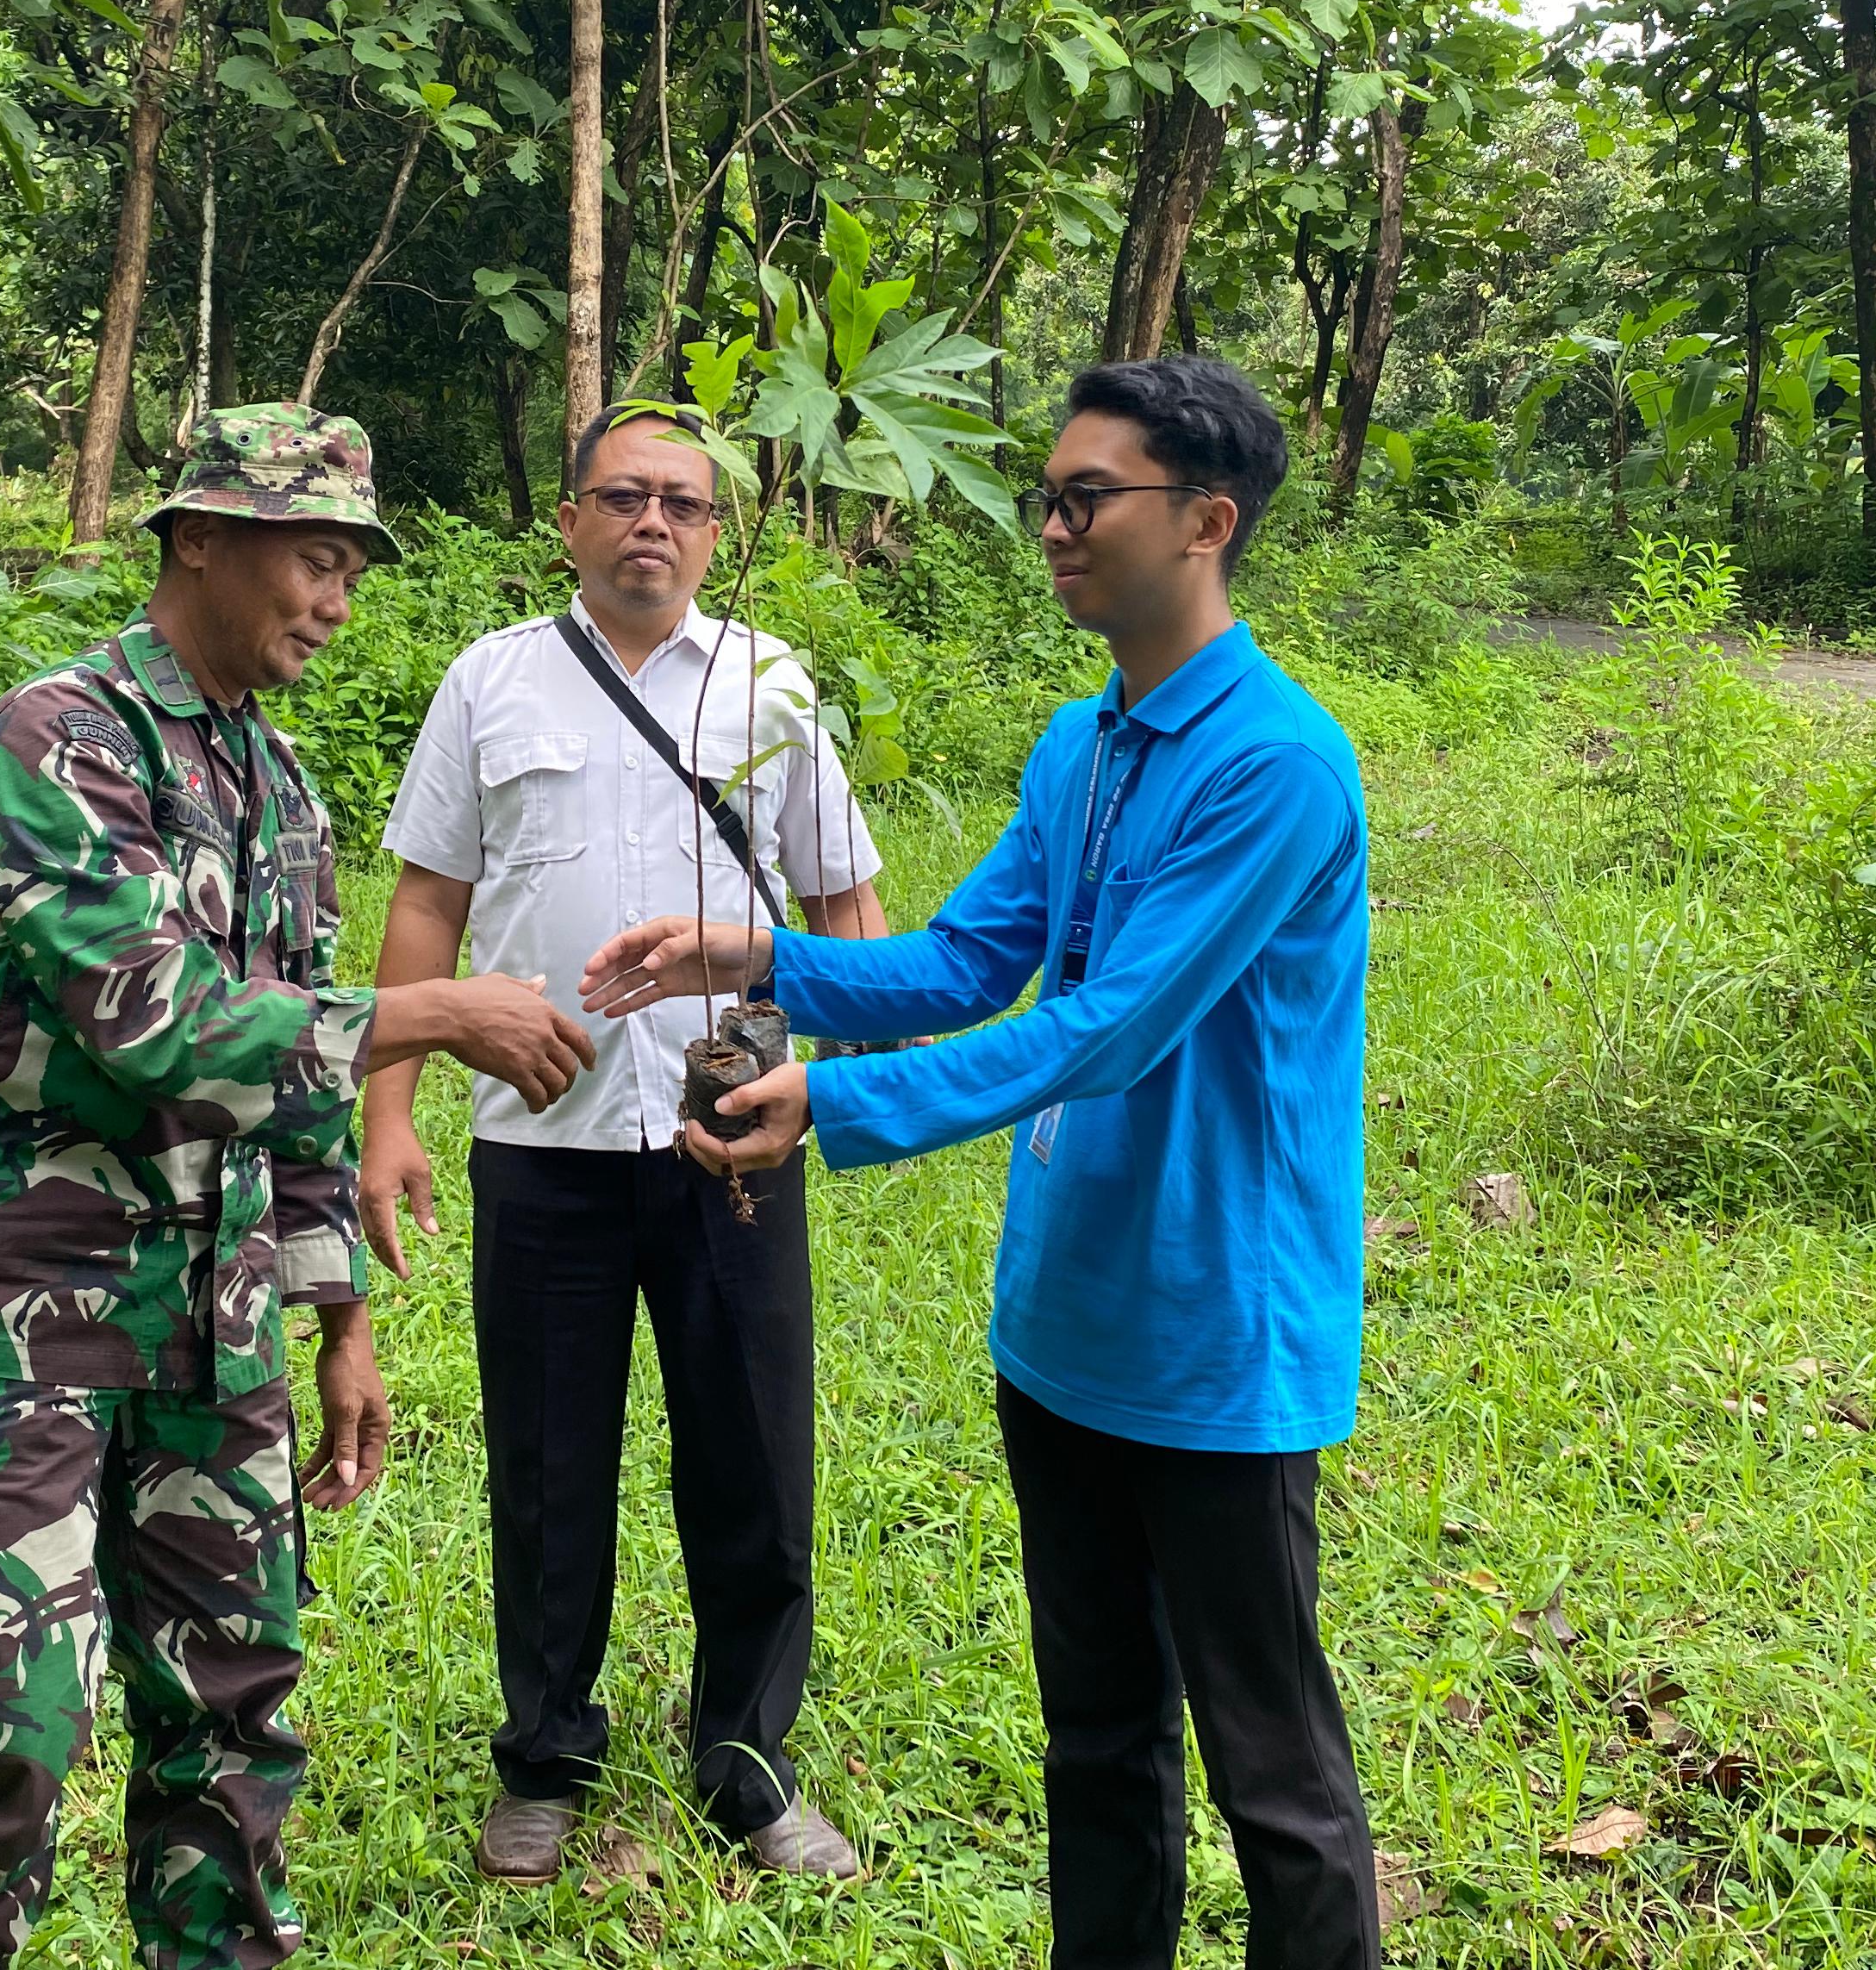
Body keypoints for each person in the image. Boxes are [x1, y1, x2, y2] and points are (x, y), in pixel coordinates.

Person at [581, 358, 1383, 1970]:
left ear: (1208, 522)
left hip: (1218, 1338)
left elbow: (1105, 1029)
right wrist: (761, 955)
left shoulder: (1278, 765)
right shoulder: (1085, 748)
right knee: (1096, 1739)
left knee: (1271, 1772)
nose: (1055, 526)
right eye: (1053, 496)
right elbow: (966, 962)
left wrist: (835, 1106)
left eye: (1091, 497)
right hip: (1066, 1329)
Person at [0, 404, 594, 1970]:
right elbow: (155, 1023)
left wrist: (339, 1320)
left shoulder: (284, 785)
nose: (334, 599)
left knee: (235, 1726)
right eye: (314, 559)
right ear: (201, 539)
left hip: (218, 1329)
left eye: (351, 571)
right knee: (8, 1728)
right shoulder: (52, 740)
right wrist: (439, 1013)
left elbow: (301, 1095)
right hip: (16, 1323)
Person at [362, 410, 884, 1884]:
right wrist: (389, 1115)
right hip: (542, 1143)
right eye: (623, 497)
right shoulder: (492, 681)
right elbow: (424, 907)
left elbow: (847, 908)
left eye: (683, 504)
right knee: (545, 1462)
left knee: (754, 1458)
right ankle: (544, 1757)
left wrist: (820, 1080)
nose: (652, 523)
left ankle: (750, 1760)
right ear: (572, 520)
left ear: (718, 533)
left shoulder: (769, 683)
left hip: (733, 1143)